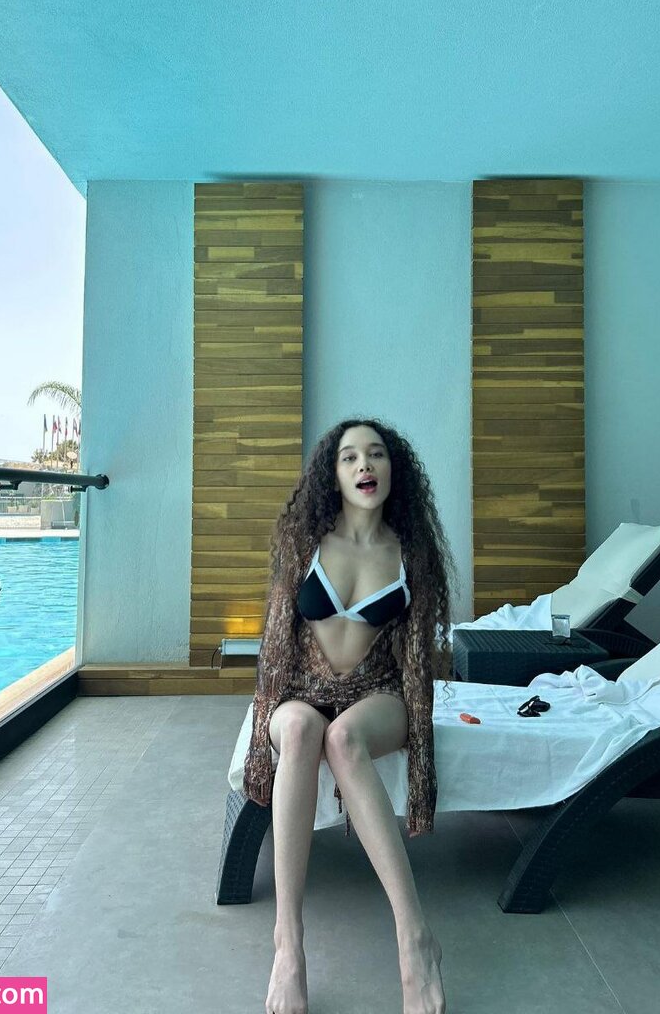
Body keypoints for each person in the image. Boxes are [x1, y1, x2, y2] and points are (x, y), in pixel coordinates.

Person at [243, 418, 458, 1014]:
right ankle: (288, 947)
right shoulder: (303, 543)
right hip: (301, 688)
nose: (365, 465)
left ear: (393, 469)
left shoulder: (410, 554)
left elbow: (416, 666)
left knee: (343, 739)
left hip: (377, 691)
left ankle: (415, 939)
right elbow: (274, 648)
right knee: (301, 728)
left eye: (377, 454)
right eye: (349, 457)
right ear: (332, 475)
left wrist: (422, 765)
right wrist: (262, 738)